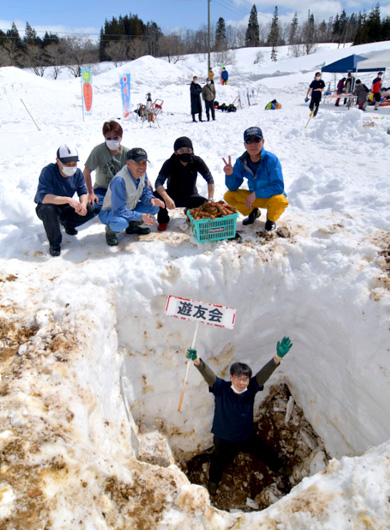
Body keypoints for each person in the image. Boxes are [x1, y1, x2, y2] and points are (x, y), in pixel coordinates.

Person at [187, 337, 293, 496]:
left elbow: (263, 375)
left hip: (246, 437)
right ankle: (214, 481)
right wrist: (197, 361)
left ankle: (278, 467)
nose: (242, 382)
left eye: (245, 379)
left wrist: (277, 358)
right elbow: (208, 374)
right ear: (231, 377)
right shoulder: (221, 388)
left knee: (264, 451)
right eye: (238, 378)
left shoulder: (251, 389)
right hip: (224, 439)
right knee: (218, 461)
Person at [34, 145, 98, 257]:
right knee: (49, 210)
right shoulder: (48, 171)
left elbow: (82, 192)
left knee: (92, 208)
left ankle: (68, 224)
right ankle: (55, 243)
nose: (71, 167)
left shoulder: (77, 173)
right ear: (58, 161)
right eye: (67, 164)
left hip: (65, 206)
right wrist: (68, 199)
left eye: (74, 164)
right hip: (47, 206)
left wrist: (83, 203)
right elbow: (44, 197)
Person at [223, 127, 288, 232]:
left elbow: (278, 187)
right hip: (253, 198)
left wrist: (256, 194)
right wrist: (230, 175)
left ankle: (271, 220)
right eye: (249, 141)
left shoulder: (271, 160)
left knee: (280, 201)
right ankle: (253, 212)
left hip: (270, 198)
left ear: (263, 141)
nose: (253, 144)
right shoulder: (241, 162)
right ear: (245, 145)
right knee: (229, 196)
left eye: (256, 140)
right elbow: (233, 187)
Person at [99, 148, 165, 246]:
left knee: (154, 206)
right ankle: (110, 232)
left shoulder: (142, 174)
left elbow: (145, 192)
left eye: (144, 163)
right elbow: (119, 210)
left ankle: (132, 227)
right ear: (128, 164)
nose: (141, 167)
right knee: (121, 222)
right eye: (137, 163)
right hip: (111, 212)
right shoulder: (119, 181)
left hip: (129, 208)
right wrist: (140, 216)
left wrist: (152, 199)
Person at [154, 137, 215, 232]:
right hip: (173, 196)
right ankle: (163, 220)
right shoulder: (169, 163)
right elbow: (158, 183)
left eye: (188, 150)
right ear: (176, 152)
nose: (185, 153)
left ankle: (190, 211)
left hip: (191, 195)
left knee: (206, 204)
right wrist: (167, 198)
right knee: (157, 196)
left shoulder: (196, 161)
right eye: (181, 150)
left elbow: (209, 179)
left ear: (192, 151)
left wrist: (211, 199)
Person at [83, 120, 129, 211]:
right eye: (109, 138)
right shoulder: (98, 151)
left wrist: (147, 184)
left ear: (121, 138)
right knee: (92, 206)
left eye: (115, 138)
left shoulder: (127, 153)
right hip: (102, 189)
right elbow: (86, 172)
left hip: (121, 191)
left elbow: (138, 171)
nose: (112, 141)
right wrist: (91, 193)